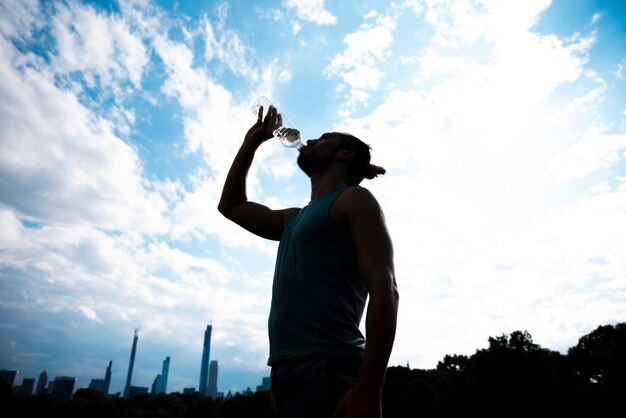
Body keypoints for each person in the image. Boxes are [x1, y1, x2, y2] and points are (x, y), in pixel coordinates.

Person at [218, 103, 399, 418]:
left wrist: (370, 386)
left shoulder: (353, 199)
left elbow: (385, 287)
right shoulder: (293, 218)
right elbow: (231, 206)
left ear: (346, 155)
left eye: (325, 138)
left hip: (329, 364)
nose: (312, 140)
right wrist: (251, 143)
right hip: (287, 366)